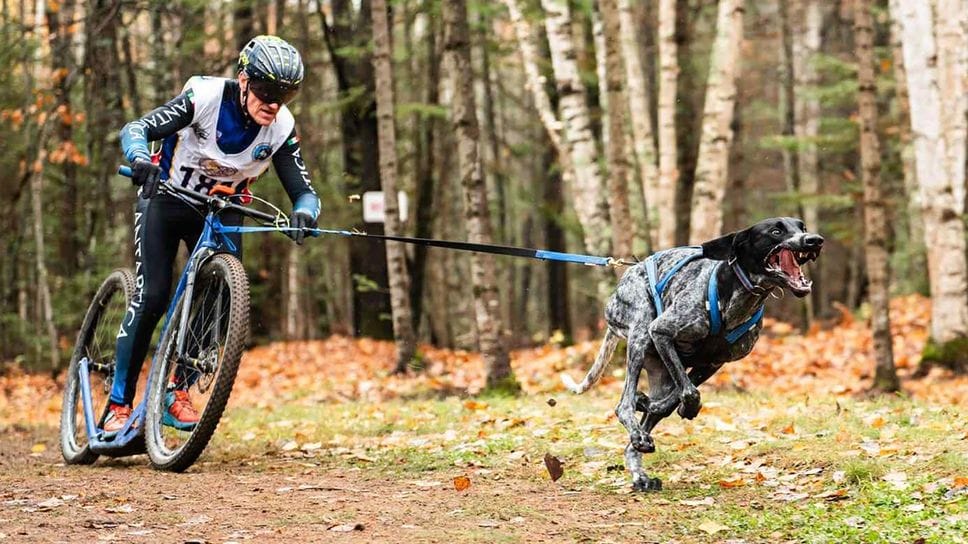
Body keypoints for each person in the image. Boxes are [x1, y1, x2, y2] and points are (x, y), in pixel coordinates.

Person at [103, 35, 320, 437]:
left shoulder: (280, 127)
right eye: (266, 90)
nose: (273, 103)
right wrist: (138, 158)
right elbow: (138, 127)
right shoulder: (203, 97)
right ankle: (118, 404)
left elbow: (304, 191)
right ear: (243, 80)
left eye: (285, 94)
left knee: (222, 293)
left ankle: (178, 390)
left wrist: (304, 213)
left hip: (222, 211)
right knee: (152, 296)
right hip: (167, 200)